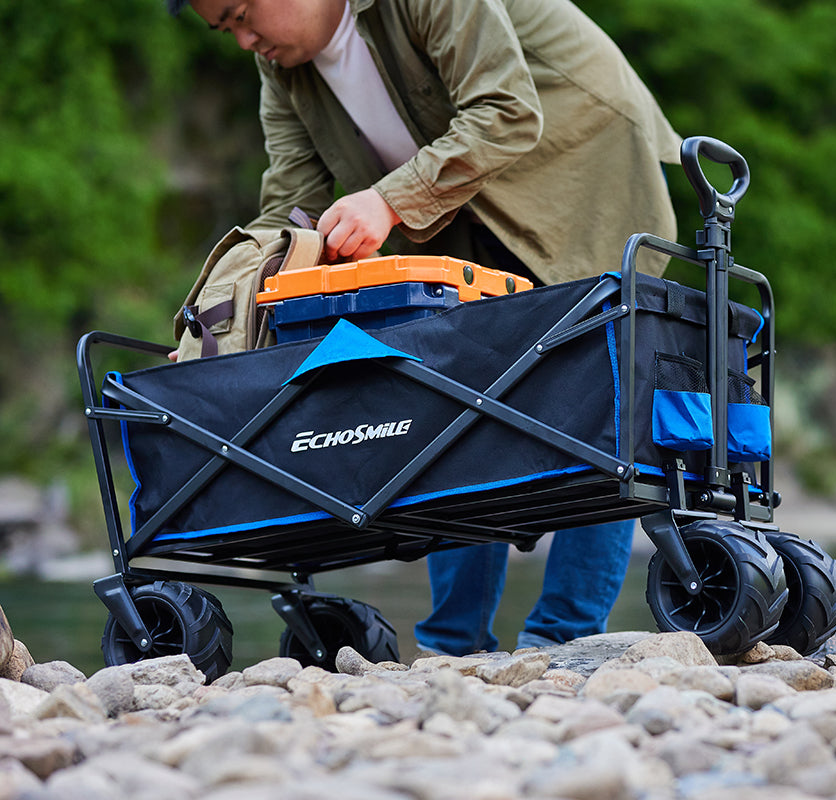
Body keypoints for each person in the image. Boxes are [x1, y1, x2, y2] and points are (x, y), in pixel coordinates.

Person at [170, 0, 681, 655]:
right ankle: (453, 641)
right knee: (454, 394)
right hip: (460, 212)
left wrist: (387, 202)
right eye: (226, 30)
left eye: (243, 14)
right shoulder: (285, 70)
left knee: (600, 390)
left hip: (581, 169)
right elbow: (290, 203)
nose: (244, 40)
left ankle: (564, 639)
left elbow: (508, 111)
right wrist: (259, 283)